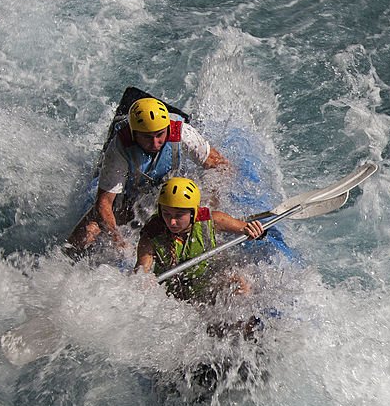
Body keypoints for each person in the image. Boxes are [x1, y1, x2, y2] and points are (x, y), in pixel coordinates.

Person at [66, 96, 233, 253]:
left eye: (159, 135)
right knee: (83, 236)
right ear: (134, 134)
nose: (155, 143)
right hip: (131, 201)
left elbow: (221, 166)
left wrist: (210, 206)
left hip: (174, 196)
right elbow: (104, 204)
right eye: (147, 137)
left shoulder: (182, 133)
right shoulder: (119, 148)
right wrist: (119, 242)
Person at [136, 177, 264, 301]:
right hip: (172, 296)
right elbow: (141, 272)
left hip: (207, 283)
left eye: (179, 215)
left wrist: (254, 230)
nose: (172, 222)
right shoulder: (151, 234)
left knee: (240, 282)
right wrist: (145, 282)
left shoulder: (212, 219)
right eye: (166, 214)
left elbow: (246, 228)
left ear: (193, 213)